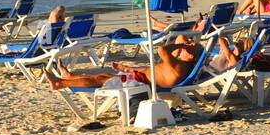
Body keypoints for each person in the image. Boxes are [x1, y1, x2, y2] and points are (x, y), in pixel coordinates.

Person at [48, 33, 202, 91]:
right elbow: (181, 36)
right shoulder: (181, 62)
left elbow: (162, 50)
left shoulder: (178, 66)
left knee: (100, 79)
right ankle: (67, 76)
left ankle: (61, 83)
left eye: (191, 47)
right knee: (104, 74)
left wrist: (182, 45)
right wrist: (185, 43)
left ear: (192, 57)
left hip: (140, 84)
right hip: (141, 78)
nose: (188, 46)